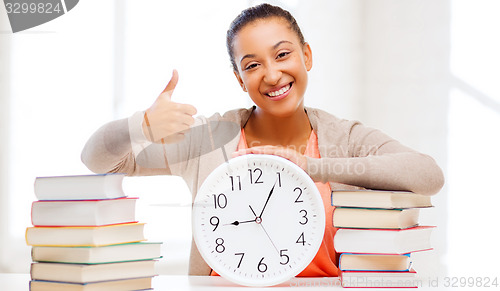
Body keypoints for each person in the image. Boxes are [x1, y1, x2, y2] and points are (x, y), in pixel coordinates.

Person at [81, 3, 444, 277]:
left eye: (282, 54)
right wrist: (139, 126)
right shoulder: (209, 139)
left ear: (307, 56)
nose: (272, 75)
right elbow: (98, 160)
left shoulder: (344, 138)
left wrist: (312, 167)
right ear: (240, 79)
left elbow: (428, 175)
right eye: (252, 65)